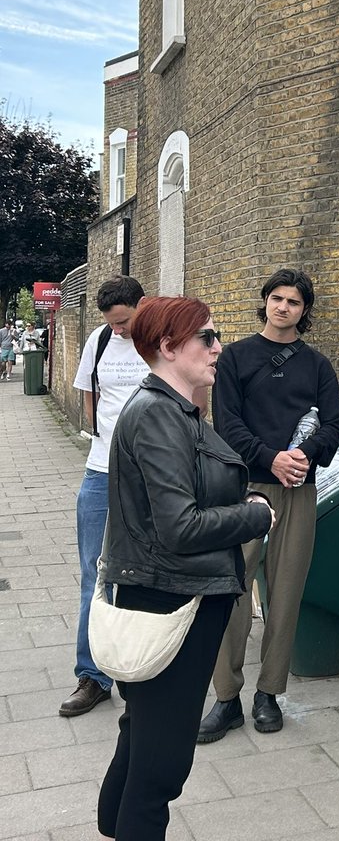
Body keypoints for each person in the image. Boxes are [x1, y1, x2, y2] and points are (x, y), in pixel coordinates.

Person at [96, 296, 274, 841]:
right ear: (169, 347)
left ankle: (112, 827)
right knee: (162, 763)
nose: (218, 348)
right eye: (207, 337)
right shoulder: (155, 414)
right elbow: (178, 527)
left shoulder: (177, 410)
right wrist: (253, 515)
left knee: (143, 736)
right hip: (167, 599)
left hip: (179, 595)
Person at [198, 268, 339, 742]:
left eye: (294, 302)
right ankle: (226, 698)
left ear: (305, 311)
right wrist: (270, 459)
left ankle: (268, 694)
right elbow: (228, 424)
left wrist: (304, 455)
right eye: (276, 299)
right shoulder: (236, 357)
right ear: (263, 302)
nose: (284, 308)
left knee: (285, 591)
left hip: (298, 488)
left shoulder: (317, 365)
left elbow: (334, 425)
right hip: (245, 488)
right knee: (231, 588)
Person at [60, 276, 149, 718]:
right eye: (113, 324)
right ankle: (92, 677)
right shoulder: (98, 340)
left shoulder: (165, 339)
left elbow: (195, 402)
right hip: (100, 472)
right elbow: (88, 395)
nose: (119, 330)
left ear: (143, 307)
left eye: (125, 322)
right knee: (95, 574)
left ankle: (143, 670)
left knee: (148, 573)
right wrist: (103, 438)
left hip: (152, 478)